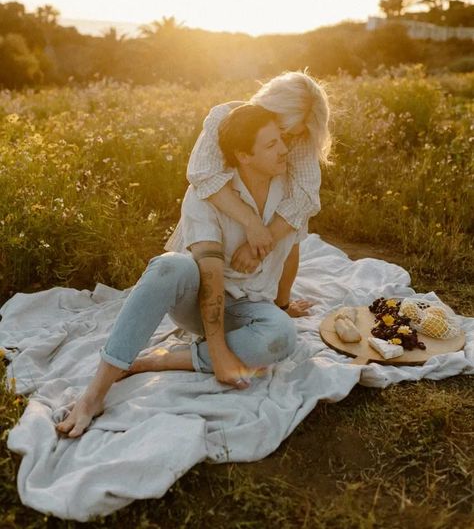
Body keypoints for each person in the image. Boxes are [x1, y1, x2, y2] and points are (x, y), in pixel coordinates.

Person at [56, 104, 315, 438]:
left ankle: (154, 361)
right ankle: (95, 393)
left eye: (281, 140)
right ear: (244, 155)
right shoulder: (207, 194)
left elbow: (292, 248)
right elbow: (209, 275)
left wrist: (282, 304)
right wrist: (219, 353)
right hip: (199, 299)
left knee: (281, 337)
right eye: (271, 145)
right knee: (170, 265)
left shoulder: (293, 192)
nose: (284, 150)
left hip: (252, 305)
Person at [164, 69, 332, 276]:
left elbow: (306, 195)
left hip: (270, 209)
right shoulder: (223, 117)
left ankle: (281, 300)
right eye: (281, 131)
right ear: (268, 105)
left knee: (296, 219)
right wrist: (252, 223)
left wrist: (263, 240)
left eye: (290, 135)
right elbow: (203, 175)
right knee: (199, 201)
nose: (286, 142)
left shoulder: (299, 132)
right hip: (224, 207)